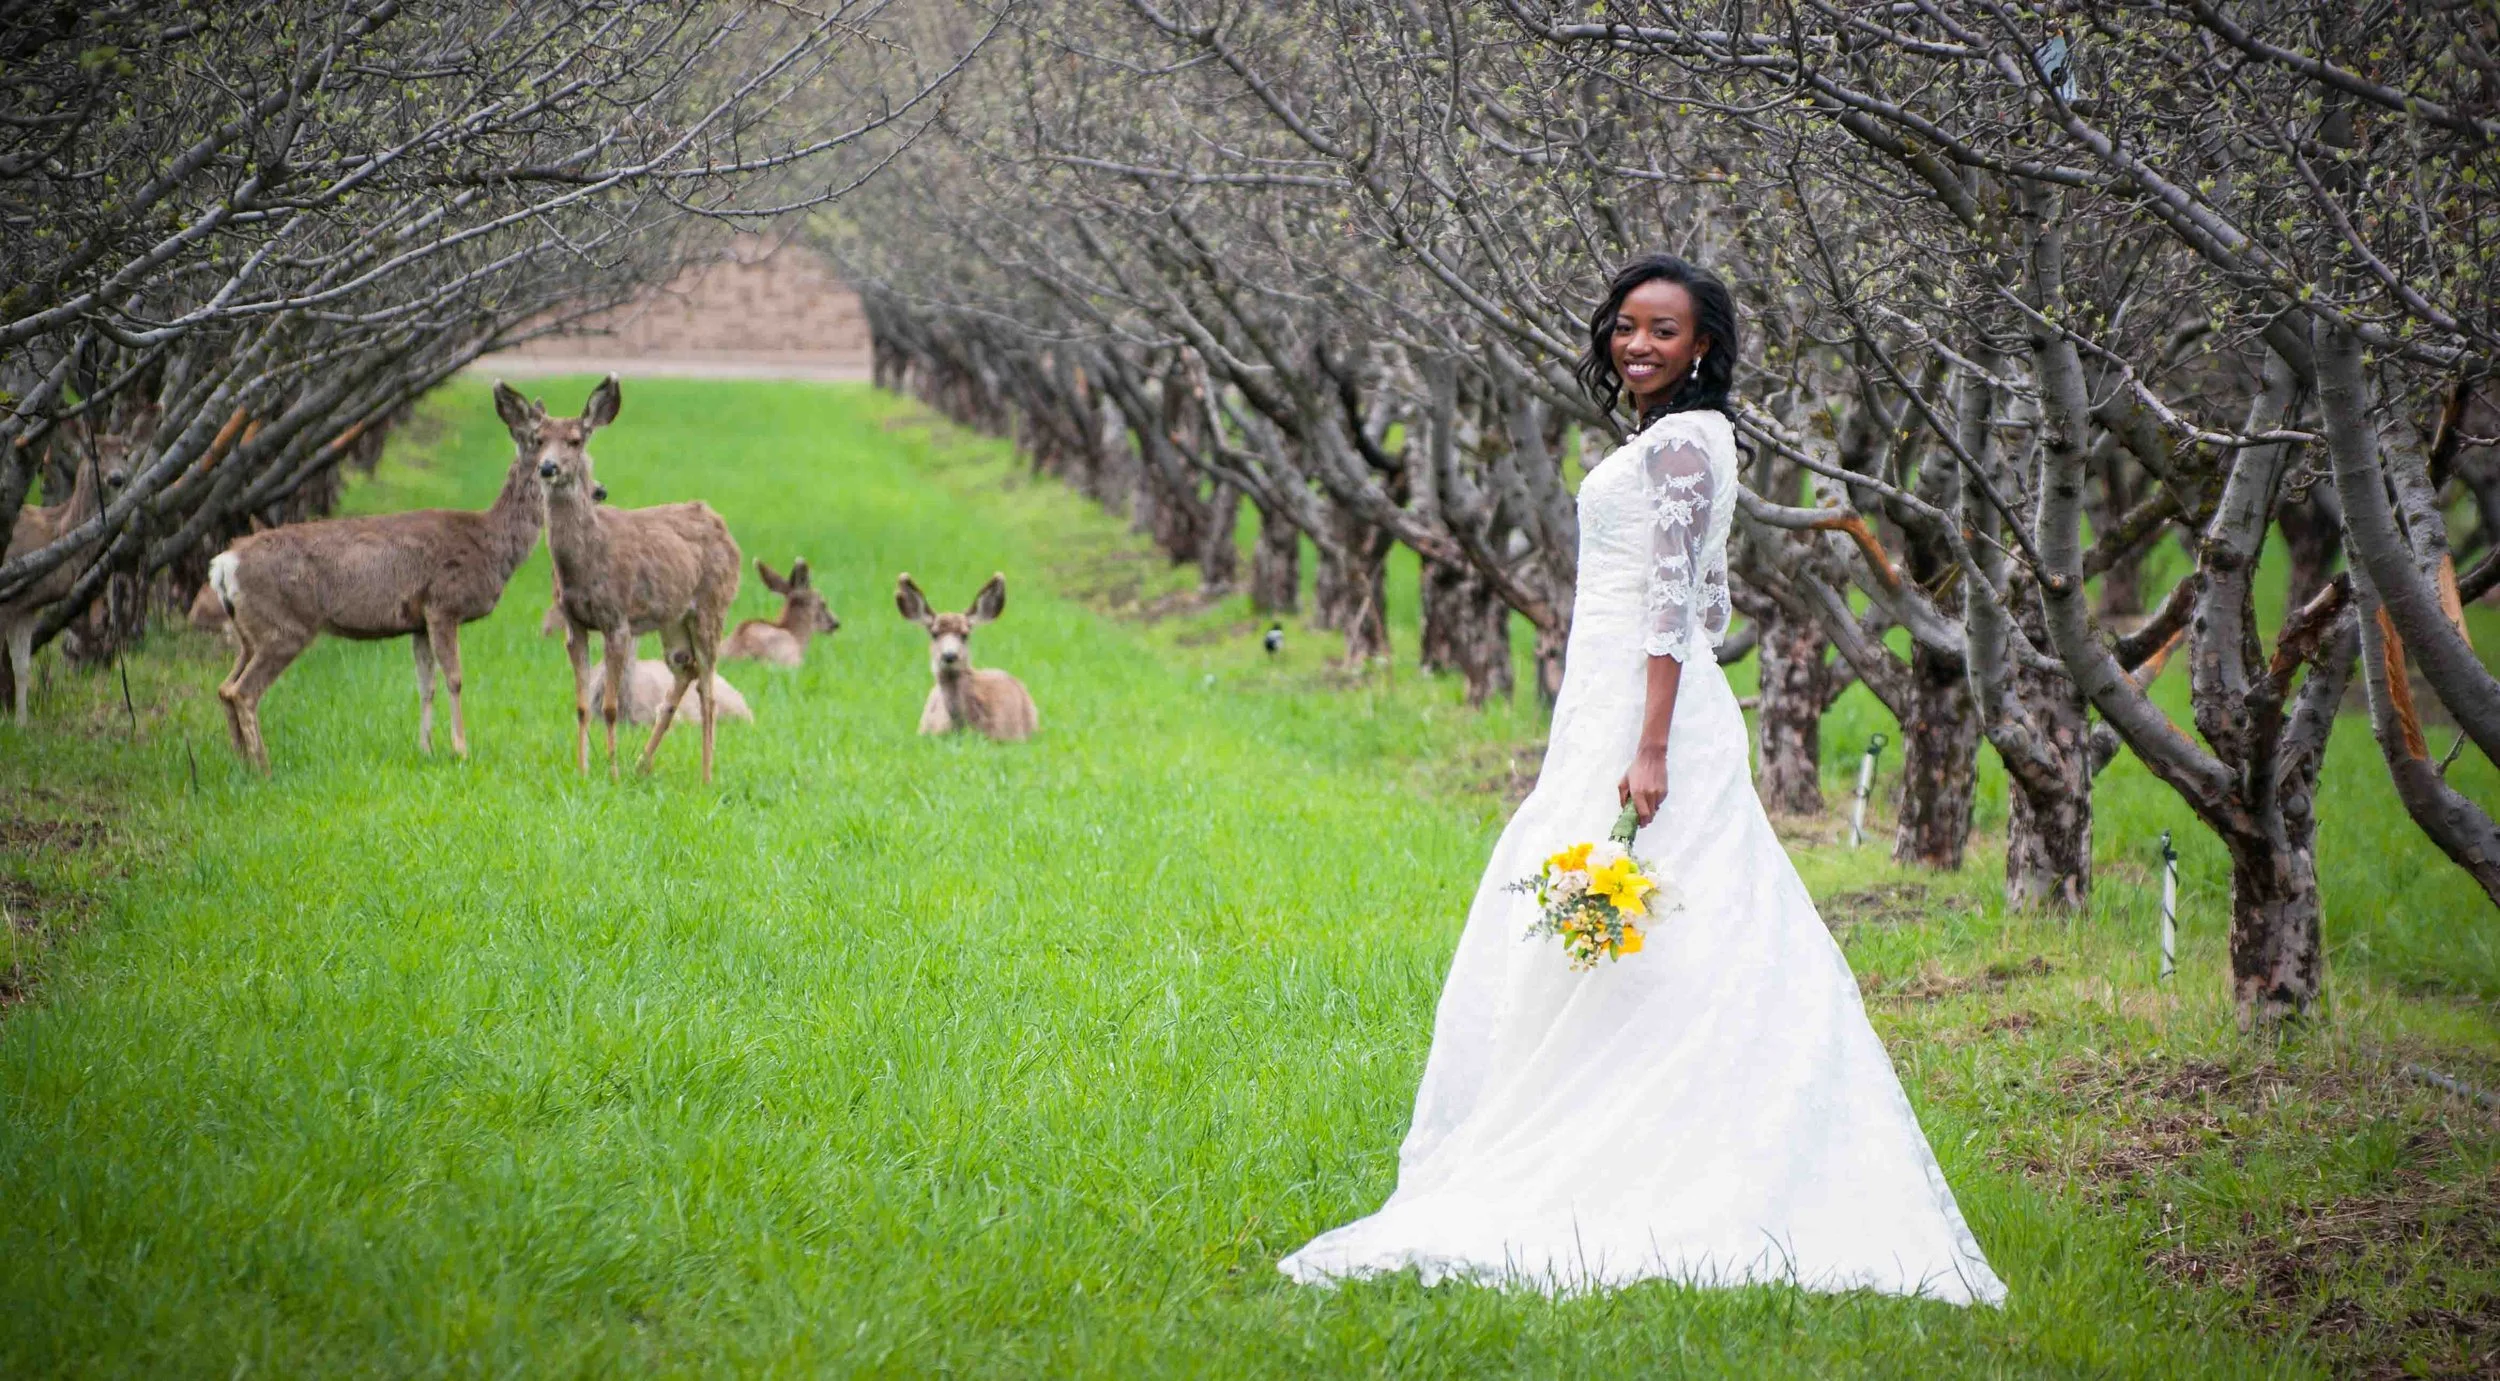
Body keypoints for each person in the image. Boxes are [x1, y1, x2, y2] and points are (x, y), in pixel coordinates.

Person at [1278, 255, 2007, 1306]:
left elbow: (1675, 610)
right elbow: (1703, 603)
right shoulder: (1677, 439)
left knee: (1658, 919)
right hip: (1615, 701)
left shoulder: (1681, 444)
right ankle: (1601, 1112)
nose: (1637, 345)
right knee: (1604, 921)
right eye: (1625, 326)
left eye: (1663, 330)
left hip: (1644, 713)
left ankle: (1652, 1146)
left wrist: (1652, 742)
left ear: (1702, 344)